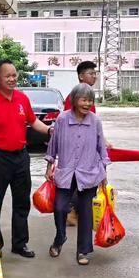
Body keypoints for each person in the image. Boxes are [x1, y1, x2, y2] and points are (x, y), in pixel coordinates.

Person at [0, 59, 53, 258]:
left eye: (14, 75)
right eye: (8, 76)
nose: (12, 79)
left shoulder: (23, 99)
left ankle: (20, 243)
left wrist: (50, 130)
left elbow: (33, 122)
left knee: (22, 201)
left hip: (21, 157)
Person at [45, 83, 110, 265]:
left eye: (90, 100)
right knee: (59, 207)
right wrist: (49, 166)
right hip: (66, 172)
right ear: (74, 100)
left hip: (88, 172)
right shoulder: (62, 119)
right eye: (83, 99)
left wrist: (104, 172)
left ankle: (83, 251)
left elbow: (101, 147)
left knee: (85, 212)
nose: (87, 104)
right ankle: (60, 238)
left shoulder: (95, 121)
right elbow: (54, 144)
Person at [64, 61, 111, 226]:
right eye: (90, 73)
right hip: (77, 149)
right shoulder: (73, 98)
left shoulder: (89, 97)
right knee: (79, 180)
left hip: (88, 147)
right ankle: (70, 210)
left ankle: (75, 211)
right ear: (80, 76)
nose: (94, 76)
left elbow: (92, 125)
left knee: (86, 180)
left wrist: (102, 141)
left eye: (95, 73)